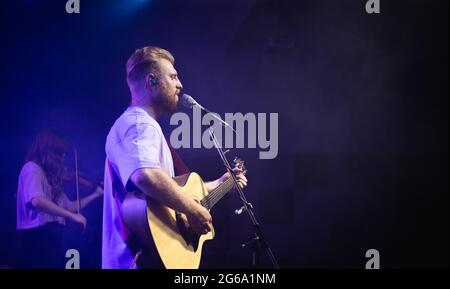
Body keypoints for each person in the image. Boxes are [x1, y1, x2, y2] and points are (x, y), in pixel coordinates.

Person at [102, 46, 248, 269]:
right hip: (138, 260)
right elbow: (146, 177)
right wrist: (193, 209)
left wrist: (219, 185)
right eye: (173, 76)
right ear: (152, 81)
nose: (180, 84)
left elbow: (165, 191)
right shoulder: (140, 123)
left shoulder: (141, 125)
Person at [15, 130, 104, 268]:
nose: (62, 159)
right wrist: (71, 216)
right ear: (47, 151)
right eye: (59, 154)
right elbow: (37, 200)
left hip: (51, 236)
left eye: (63, 154)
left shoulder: (50, 176)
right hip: (36, 237)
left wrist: (95, 194)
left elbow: (69, 206)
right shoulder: (32, 169)